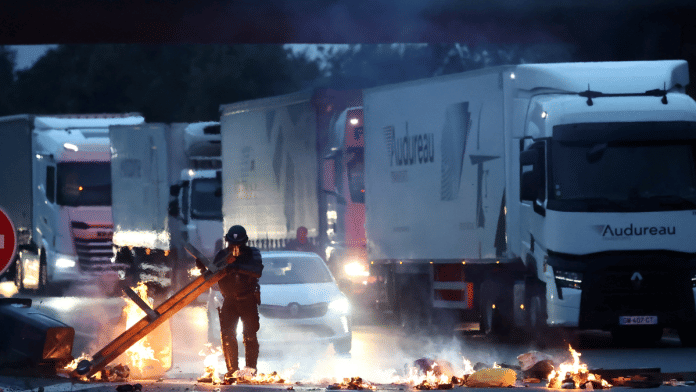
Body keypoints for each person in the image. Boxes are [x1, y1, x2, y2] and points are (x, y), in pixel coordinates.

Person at [213, 225, 263, 380]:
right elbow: (212, 272)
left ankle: (250, 370)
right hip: (229, 300)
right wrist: (212, 267)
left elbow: (257, 271)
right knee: (227, 335)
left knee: (250, 335)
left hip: (247, 298)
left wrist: (238, 266)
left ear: (245, 242)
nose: (235, 247)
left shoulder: (252, 253)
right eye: (232, 244)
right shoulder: (222, 255)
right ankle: (232, 370)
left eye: (239, 244)